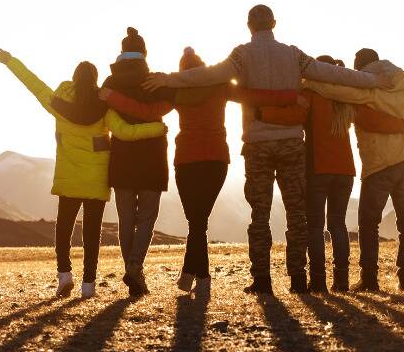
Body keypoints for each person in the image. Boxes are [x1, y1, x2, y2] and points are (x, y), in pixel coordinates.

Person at [143, 4, 390, 295]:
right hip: (290, 143)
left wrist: (169, 78)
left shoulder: (241, 54)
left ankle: (262, 281)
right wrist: (374, 81)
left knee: (259, 215)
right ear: (274, 23)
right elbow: (333, 74)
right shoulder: (293, 54)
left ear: (249, 26)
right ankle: (298, 280)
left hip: (258, 144)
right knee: (296, 214)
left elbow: (208, 75)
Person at [101, 47, 299, 298]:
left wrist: (111, 97)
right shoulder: (220, 85)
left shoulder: (177, 91)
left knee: (196, 223)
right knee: (198, 223)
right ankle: (194, 278)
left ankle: (197, 277)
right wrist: (290, 96)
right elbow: (253, 96)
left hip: (187, 161)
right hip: (216, 160)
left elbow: (146, 112)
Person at [0, 48, 167, 299]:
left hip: (69, 178)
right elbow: (125, 132)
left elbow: (33, 83)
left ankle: (64, 275)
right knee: (91, 234)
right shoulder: (104, 108)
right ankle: (89, 284)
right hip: (96, 180)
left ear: (75, 79)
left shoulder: (57, 102)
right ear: (95, 80)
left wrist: (11, 61)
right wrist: (156, 128)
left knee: (64, 228)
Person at [300, 34, 404, 292]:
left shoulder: (366, 89)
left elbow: (337, 90)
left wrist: (309, 81)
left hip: (379, 165)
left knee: (369, 223)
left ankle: (369, 280)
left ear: (359, 69)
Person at [258, 55, 404, 293]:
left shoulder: (311, 94)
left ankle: (318, 281)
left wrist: (262, 113)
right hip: (345, 171)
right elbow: (373, 120)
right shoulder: (346, 98)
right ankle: (341, 281)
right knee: (338, 225)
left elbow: (293, 117)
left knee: (315, 226)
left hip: (318, 169)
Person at [101, 27, 178, 298]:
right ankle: (135, 267)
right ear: (144, 53)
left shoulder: (110, 83)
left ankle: (131, 268)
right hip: (152, 156)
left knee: (125, 218)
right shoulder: (155, 81)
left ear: (121, 53)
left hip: (121, 157)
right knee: (146, 218)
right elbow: (170, 103)